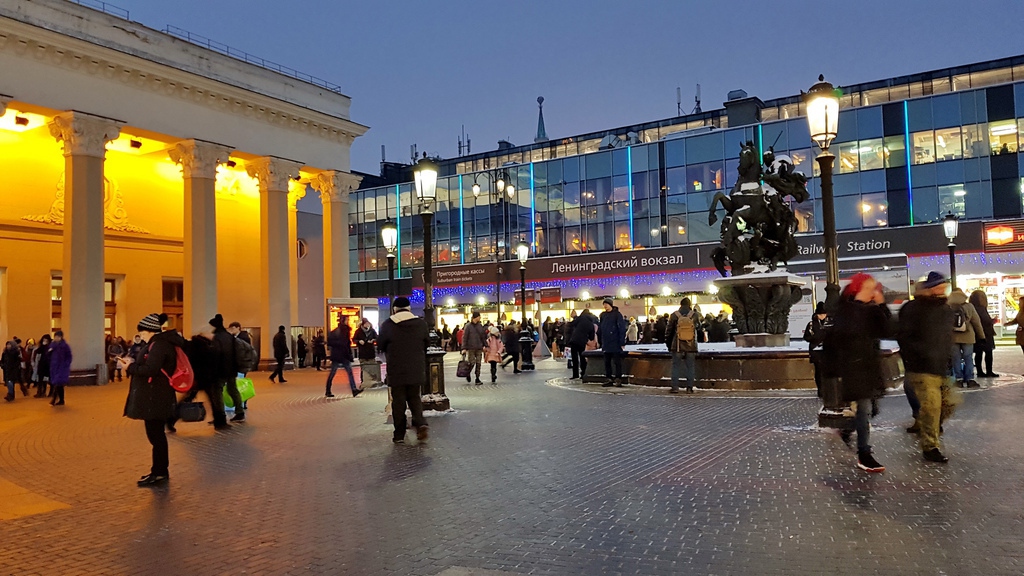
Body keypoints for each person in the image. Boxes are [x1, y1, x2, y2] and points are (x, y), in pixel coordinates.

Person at [825, 273, 891, 473]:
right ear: (858, 289)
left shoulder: (870, 310)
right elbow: (838, 340)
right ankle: (864, 454)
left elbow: (888, 330)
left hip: (870, 367)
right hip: (854, 368)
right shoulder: (846, 310)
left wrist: (881, 306)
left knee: (872, 410)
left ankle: (847, 429)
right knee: (864, 410)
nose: (874, 292)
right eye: (870, 288)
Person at [897, 271, 955, 463]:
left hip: (940, 366)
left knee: (949, 403)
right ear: (930, 289)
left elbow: (946, 337)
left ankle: (926, 425)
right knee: (931, 406)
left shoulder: (945, 309)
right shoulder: (913, 308)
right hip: (922, 367)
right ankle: (930, 446)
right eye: (939, 286)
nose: (943, 289)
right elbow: (903, 336)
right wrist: (918, 354)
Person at [122, 313, 181, 487]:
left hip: (155, 397)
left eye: (143, 333)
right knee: (156, 435)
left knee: (156, 436)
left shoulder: (159, 345)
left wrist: (130, 366)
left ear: (151, 331)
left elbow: (151, 369)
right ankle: (159, 471)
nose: (142, 337)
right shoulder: (160, 344)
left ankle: (160, 472)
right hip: (156, 395)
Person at [377, 297, 429, 444]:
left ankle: (399, 433)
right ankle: (420, 423)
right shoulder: (421, 323)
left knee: (398, 401)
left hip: (396, 369)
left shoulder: (388, 324)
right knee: (414, 397)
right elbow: (426, 343)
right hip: (416, 368)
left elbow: (380, 344)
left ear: (394, 309)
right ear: (409, 308)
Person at [168, 324, 230, 432]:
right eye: (211, 333)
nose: (212, 335)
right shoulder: (201, 346)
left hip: (198, 378)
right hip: (204, 378)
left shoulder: (197, 344)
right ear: (205, 334)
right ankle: (220, 423)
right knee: (214, 400)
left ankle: (170, 420)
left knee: (188, 399)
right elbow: (205, 362)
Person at [947, 287, 984, 388]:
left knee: (956, 358)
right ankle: (969, 379)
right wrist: (982, 336)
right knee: (968, 358)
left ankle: (958, 379)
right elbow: (976, 322)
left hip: (953, 337)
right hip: (968, 336)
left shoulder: (947, 307)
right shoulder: (969, 306)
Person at [210, 314, 242, 424]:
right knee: (232, 389)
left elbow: (215, 354)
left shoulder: (216, 337)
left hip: (220, 369)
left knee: (217, 391)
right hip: (232, 368)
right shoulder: (229, 336)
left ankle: (220, 415)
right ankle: (240, 412)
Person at [665, 297, 699, 394]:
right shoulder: (694, 315)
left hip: (677, 345)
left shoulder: (674, 315)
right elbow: (699, 329)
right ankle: (689, 387)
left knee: (676, 366)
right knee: (690, 366)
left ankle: (675, 387)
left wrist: (669, 344)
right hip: (691, 345)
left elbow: (668, 331)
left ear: (680, 304)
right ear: (689, 305)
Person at [326, 318, 361, 398]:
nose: (347, 321)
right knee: (348, 372)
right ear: (344, 321)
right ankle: (354, 389)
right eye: (347, 320)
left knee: (334, 373)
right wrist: (349, 354)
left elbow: (330, 342)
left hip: (337, 355)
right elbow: (346, 345)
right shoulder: (343, 331)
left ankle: (328, 390)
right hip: (343, 355)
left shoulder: (336, 331)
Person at [803, 302, 831, 397]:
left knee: (828, 371)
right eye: (820, 314)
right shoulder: (811, 324)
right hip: (816, 351)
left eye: (824, 314)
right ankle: (821, 390)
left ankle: (828, 390)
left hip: (828, 350)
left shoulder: (830, 323)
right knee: (819, 371)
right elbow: (806, 337)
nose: (822, 316)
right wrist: (815, 338)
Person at [598, 299, 627, 387]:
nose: (605, 306)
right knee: (607, 362)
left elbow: (621, 329)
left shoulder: (617, 315)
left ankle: (618, 378)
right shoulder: (603, 315)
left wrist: (622, 342)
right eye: (604, 304)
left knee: (616, 362)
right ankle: (609, 378)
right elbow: (601, 328)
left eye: (606, 304)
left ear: (610, 305)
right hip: (606, 342)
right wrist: (600, 341)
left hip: (615, 342)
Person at [969, 290, 998, 378]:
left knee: (978, 353)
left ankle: (979, 371)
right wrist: (993, 321)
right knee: (988, 352)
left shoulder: (972, 307)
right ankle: (989, 371)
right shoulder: (981, 308)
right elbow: (986, 321)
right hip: (986, 333)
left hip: (976, 333)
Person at [568, 309, 596, 380]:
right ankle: (583, 373)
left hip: (574, 340)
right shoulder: (591, 324)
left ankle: (575, 374)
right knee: (582, 357)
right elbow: (591, 337)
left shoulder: (580, 318)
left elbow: (572, 324)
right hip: (582, 342)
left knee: (574, 358)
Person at [461, 312, 488, 385]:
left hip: (479, 347)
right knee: (472, 363)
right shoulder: (468, 326)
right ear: (475, 317)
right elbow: (465, 337)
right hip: (471, 348)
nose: (480, 318)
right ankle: (468, 373)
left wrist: (485, 345)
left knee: (478, 363)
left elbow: (483, 337)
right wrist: (464, 348)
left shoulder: (480, 326)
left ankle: (477, 378)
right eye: (479, 317)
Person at [48, 330, 72, 407]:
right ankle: (61, 400)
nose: (56, 338)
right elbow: (48, 356)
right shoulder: (52, 346)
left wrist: (66, 365)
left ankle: (54, 399)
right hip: (54, 367)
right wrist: (49, 352)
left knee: (58, 383)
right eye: (55, 336)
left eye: (57, 336)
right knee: (59, 384)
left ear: (61, 337)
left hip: (62, 367)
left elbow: (69, 357)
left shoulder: (65, 346)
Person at [355, 318, 380, 387]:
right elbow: (354, 339)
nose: (367, 325)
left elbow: (377, 337)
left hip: (370, 351)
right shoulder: (358, 331)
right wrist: (359, 341)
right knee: (363, 367)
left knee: (372, 366)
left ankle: (372, 380)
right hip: (362, 352)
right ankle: (363, 381)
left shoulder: (372, 331)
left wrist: (373, 340)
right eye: (366, 323)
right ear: (362, 324)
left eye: (368, 323)